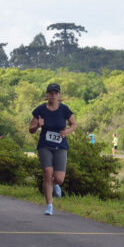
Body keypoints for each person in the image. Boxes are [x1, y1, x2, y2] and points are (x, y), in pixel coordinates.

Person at [28, 83, 77, 216]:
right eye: (51, 93)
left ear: (59, 95)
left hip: (61, 146)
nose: (53, 95)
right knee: (48, 174)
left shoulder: (64, 109)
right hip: (45, 146)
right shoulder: (40, 110)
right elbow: (30, 129)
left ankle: (55, 185)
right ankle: (49, 205)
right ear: (47, 95)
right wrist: (38, 125)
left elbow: (73, 123)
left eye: (56, 93)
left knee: (59, 179)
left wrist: (67, 131)